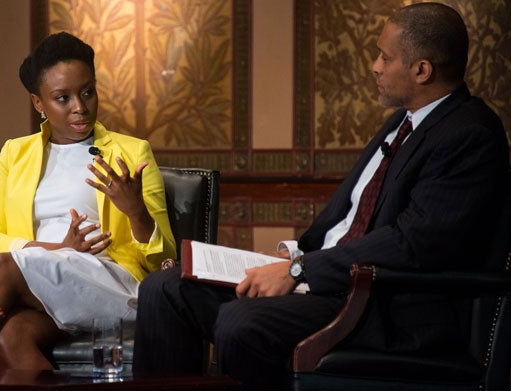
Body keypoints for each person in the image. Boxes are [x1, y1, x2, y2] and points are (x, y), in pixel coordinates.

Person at [133, 3, 509, 389]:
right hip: (330, 283)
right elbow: (348, 217)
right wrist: (291, 258)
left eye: (385, 56)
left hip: (382, 306)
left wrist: (299, 271)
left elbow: (412, 243)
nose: (375, 67)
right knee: (166, 288)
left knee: (242, 322)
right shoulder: (403, 121)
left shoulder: (470, 135)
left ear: (422, 70)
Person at [0, 32, 176, 370]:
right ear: (38, 103)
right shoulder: (14, 154)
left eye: (87, 92)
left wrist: (136, 211)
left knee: (0, 268)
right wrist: (58, 249)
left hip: (109, 283)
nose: (80, 107)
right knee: (12, 341)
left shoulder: (131, 152)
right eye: (62, 98)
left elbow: (164, 262)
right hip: (38, 286)